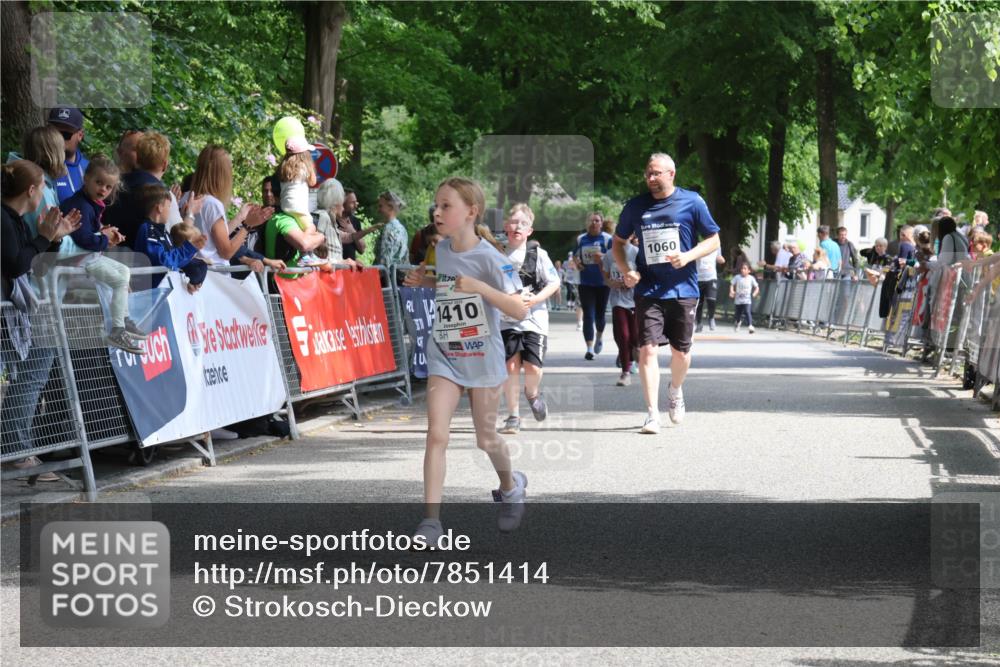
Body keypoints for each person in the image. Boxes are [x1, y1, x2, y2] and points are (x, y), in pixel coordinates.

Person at [403, 177, 529, 548]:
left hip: (482, 360)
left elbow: (519, 308)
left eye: (446, 206)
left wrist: (481, 288)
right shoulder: (440, 249)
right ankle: (431, 521)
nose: (437, 212)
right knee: (436, 434)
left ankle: (510, 487)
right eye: (436, 206)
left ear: (470, 212)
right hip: (444, 354)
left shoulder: (494, 259)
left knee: (486, 438)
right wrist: (425, 282)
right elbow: (448, 285)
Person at [612, 153, 720, 435]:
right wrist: (628, 269)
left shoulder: (692, 201)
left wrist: (687, 256)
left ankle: (675, 388)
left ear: (671, 173)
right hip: (648, 289)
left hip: (683, 288)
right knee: (647, 349)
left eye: (656, 173)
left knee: (681, 353)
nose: (650, 178)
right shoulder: (636, 206)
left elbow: (713, 239)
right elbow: (618, 243)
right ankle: (651, 414)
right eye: (648, 173)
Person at [1, 160, 81, 481]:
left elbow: (36, 265)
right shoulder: (5, 219)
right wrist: (43, 238)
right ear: (32, 191)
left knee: (33, 375)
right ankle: (17, 451)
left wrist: (54, 239)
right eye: (44, 190)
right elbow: (17, 264)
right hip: (12, 313)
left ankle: (18, 448)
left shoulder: (16, 220)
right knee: (31, 377)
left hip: (18, 312)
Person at [58, 156, 146, 354]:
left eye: (108, 187)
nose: (103, 190)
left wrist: (105, 232)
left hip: (88, 256)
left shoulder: (91, 203)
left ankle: (123, 319)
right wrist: (104, 238)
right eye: (99, 183)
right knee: (118, 281)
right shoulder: (80, 204)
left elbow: (90, 233)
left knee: (124, 271)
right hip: (79, 260)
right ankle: (117, 329)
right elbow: (83, 239)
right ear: (86, 178)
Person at [497, 203, 560, 435]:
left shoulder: (538, 254)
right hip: (506, 319)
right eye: (513, 222)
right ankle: (513, 416)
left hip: (535, 318)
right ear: (506, 226)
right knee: (510, 365)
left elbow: (554, 282)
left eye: (523, 224)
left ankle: (532, 393)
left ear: (530, 230)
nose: (517, 227)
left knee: (532, 367)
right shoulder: (497, 254)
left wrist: (535, 300)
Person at [180, 145, 272, 269]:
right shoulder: (212, 204)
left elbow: (213, 236)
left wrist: (240, 217)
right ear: (222, 174)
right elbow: (226, 252)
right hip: (213, 278)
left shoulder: (185, 197)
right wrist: (247, 226)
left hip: (195, 272)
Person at [104, 131, 180, 245]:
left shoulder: (112, 186)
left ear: (138, 159)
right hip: (145, 260)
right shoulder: (163, 195)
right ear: (165, 164)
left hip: (109, 255)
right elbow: (179, 236)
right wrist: (189, 213)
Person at [134, 184, 208, 292]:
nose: (170, 210)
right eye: (169, 206)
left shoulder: (161, 230)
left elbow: (174, 258)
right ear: (159, 208)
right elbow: (164, 261)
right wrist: (189, 248)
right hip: (151, 294)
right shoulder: (148, 230)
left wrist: (193, 277)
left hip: (163, 291)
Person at [6, 126, 66, 236]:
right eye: (62, 149)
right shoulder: (40, 188)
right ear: (52, 154)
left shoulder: (18, 176)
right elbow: (46, 237)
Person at [278, 136, 325, 266]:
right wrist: (311, 166)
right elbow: (313, 181)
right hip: (299, 207)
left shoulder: (284, 168)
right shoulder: (304, 167)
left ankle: (309, 255)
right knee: (311, 227)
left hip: (286, 206)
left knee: (303, 227)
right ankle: (304, 256)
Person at [574, 212, 613, 360]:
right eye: (591, 220)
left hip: (603, 282)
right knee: (588, 315)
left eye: (597, 220)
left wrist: (603, 258)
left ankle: (599, 336)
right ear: (586, 223)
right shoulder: (580, 239)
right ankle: (589, 348)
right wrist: (577, 262)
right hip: (585, 282)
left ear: (601, 223)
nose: (594, 223)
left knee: (600, 314)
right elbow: (575, 255)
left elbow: (614, 257)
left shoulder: (607, 239)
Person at [603, 233, 640, 385]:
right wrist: (614, 284)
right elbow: (606, 277)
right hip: (618, 300)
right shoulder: (610, 254)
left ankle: (628, 356)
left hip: (636, 300)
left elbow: (643, 274)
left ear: (631, 236)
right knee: (623, 336)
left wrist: (633, 281)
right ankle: (625, 372)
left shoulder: (636, 252)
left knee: (635, 339)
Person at [312, 177, 366, 269]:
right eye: (342, 201)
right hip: (323, 278)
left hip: (331, 277)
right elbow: (313, 255)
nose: (343, 207)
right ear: (336, 201)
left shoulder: (329, 219)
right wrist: (342, 262)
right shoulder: (322, 217)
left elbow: (348, 237)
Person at [47, 107, 89, 203]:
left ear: (80, 135)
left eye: (65, 134)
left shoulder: (89, 168)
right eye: (54, 133)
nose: (59, 139)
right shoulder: (40, 165)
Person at [374, 190, 409, 271]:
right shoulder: (402, 229)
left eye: (380, 206)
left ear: (390, 207)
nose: (378, 210)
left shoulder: (388, 229)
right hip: (399, 277)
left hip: (387, 278)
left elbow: (385, 261)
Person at [694, 246, 725, 332]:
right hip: (699, 278)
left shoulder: (716, 245)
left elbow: (720, 257)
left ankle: (711, 318)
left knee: (712, 300)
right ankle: (699, 323)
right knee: (699, 303)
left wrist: (721, 259)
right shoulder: (696, 244)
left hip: (711, 277)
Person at [730, 262, 760, 333]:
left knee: (747, 312)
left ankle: (750, 326)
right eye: (742, 268)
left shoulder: (751, 278)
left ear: (749, 271)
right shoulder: (737, 277)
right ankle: (738, 322)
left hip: (747, 300)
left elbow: (757, 287)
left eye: (745, 269)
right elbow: (731, 284)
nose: (743, 270)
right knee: (738, 314)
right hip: (738, 300)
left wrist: (754, 293)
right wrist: (731, 291)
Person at [338, 189, 367, 261]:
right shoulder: (332, 220)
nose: (356, 206)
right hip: (335, 266)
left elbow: (362, 249)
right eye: (352, 203)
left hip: (350, 269)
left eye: (356, 202)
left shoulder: (355, 221)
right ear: (342, 203)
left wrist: (352, 231)